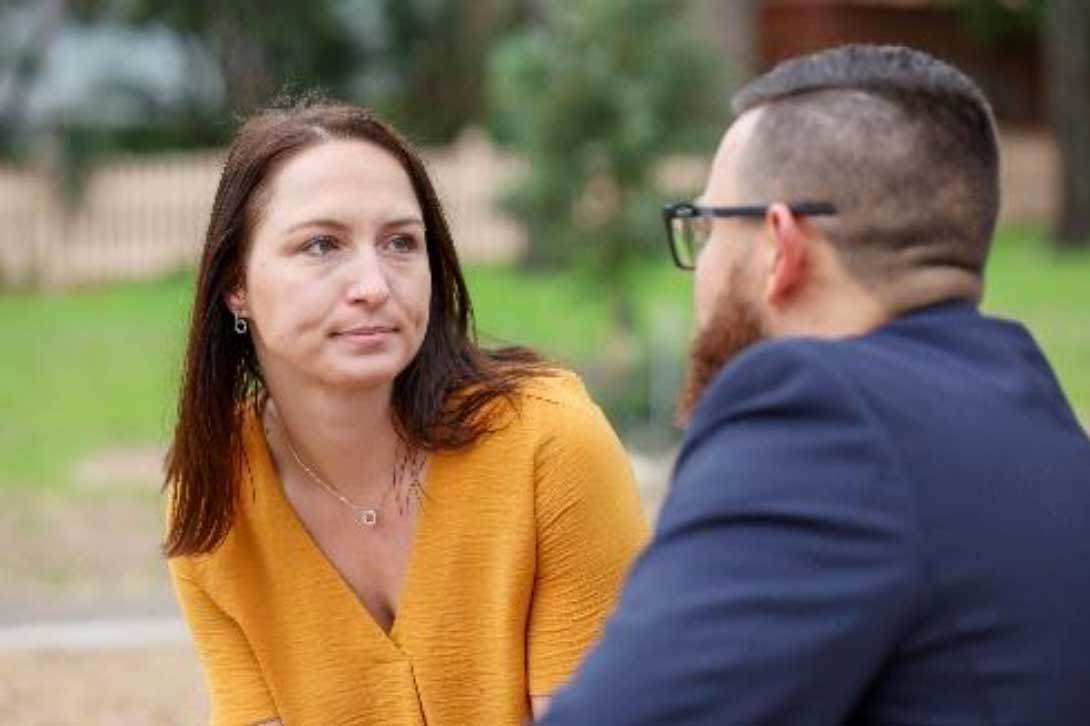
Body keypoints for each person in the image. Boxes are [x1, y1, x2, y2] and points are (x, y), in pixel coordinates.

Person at [541, 44, 1090, 725]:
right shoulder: (1033, 414)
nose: (702, 263)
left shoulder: (820, 417)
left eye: (708, 226)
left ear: (781, 245)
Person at [163, 98, 648, 726]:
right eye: (321, 246)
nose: (373, 284)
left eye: (400, 242)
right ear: (237, 284)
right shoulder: (213, 500)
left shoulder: (550, 443)